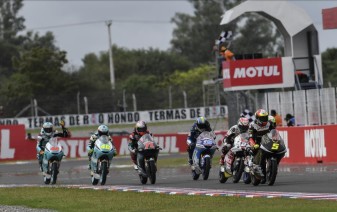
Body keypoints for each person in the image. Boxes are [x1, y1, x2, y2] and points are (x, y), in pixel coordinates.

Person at [248, 109, 271, 184]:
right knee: (258, 153)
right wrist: (254, 144)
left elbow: (274, 133)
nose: (264, 120)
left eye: (265, 117)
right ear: (257, 118)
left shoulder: (269, 124)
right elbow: (250, 137)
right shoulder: (252, 125)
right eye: (262, 118)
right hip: (256, 142)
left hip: (266, 142)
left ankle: (270, 171)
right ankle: (252, 165)